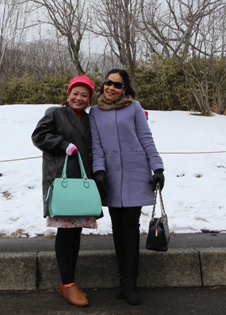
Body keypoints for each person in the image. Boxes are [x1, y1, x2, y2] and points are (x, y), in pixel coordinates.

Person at [89, 69, 165, 306]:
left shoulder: (134, 108)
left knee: (130, 226)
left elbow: (146, 138)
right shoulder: (95, 112)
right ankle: (122, 279)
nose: (111, 88)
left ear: (125, 89)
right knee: (117, 227)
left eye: (117, 85)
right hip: (111, 176)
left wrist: (158, 168)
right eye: (108, 83)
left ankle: (131, 281)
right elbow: (96, 144)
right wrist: (99, 169)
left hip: (135, 173)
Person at [31, 75, 97, 307]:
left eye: (84, 95)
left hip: (83, 181)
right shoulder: (55, 113)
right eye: (75, 93)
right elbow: (39, 136)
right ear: (68, 94)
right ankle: (67, 283)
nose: (79, 98)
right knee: (66, 231)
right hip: (62, 180)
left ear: (90, 99)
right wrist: (62, 144)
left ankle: (68, 282)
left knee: (75, 231)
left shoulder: (90, 120)